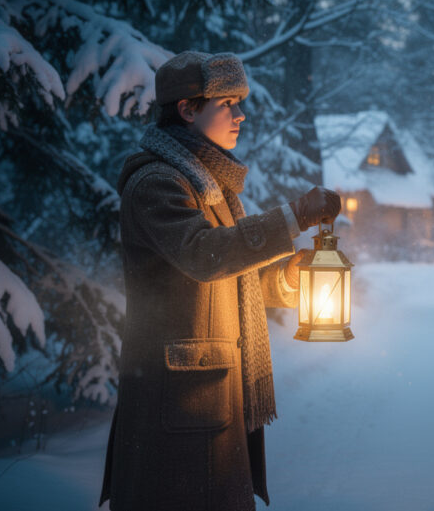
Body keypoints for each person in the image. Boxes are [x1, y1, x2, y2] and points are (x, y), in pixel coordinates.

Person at [100, 51, 340, 510]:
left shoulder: (210, 186)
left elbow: (231, 281)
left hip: (203, 404)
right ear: (187, 109)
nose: (240, 114)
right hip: (178, 407)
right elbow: (205, 255)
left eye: (239, 102)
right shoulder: (156, 182)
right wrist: (293, 216)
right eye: (227, 103)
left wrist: (289, 276)